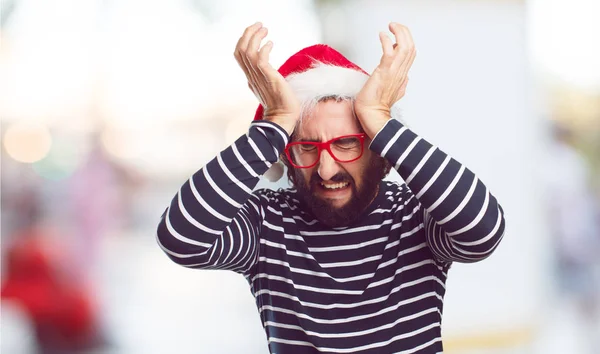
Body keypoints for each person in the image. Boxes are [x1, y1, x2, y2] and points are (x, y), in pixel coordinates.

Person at [156, 22, 505, 353]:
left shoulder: (413, 213)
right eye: (306, 147)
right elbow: (181, 238)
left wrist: (380, 116)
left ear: (380, 151)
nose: (326, 168)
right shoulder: (267, 224)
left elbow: (483, 231)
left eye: (346, 144)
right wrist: (276, 122)